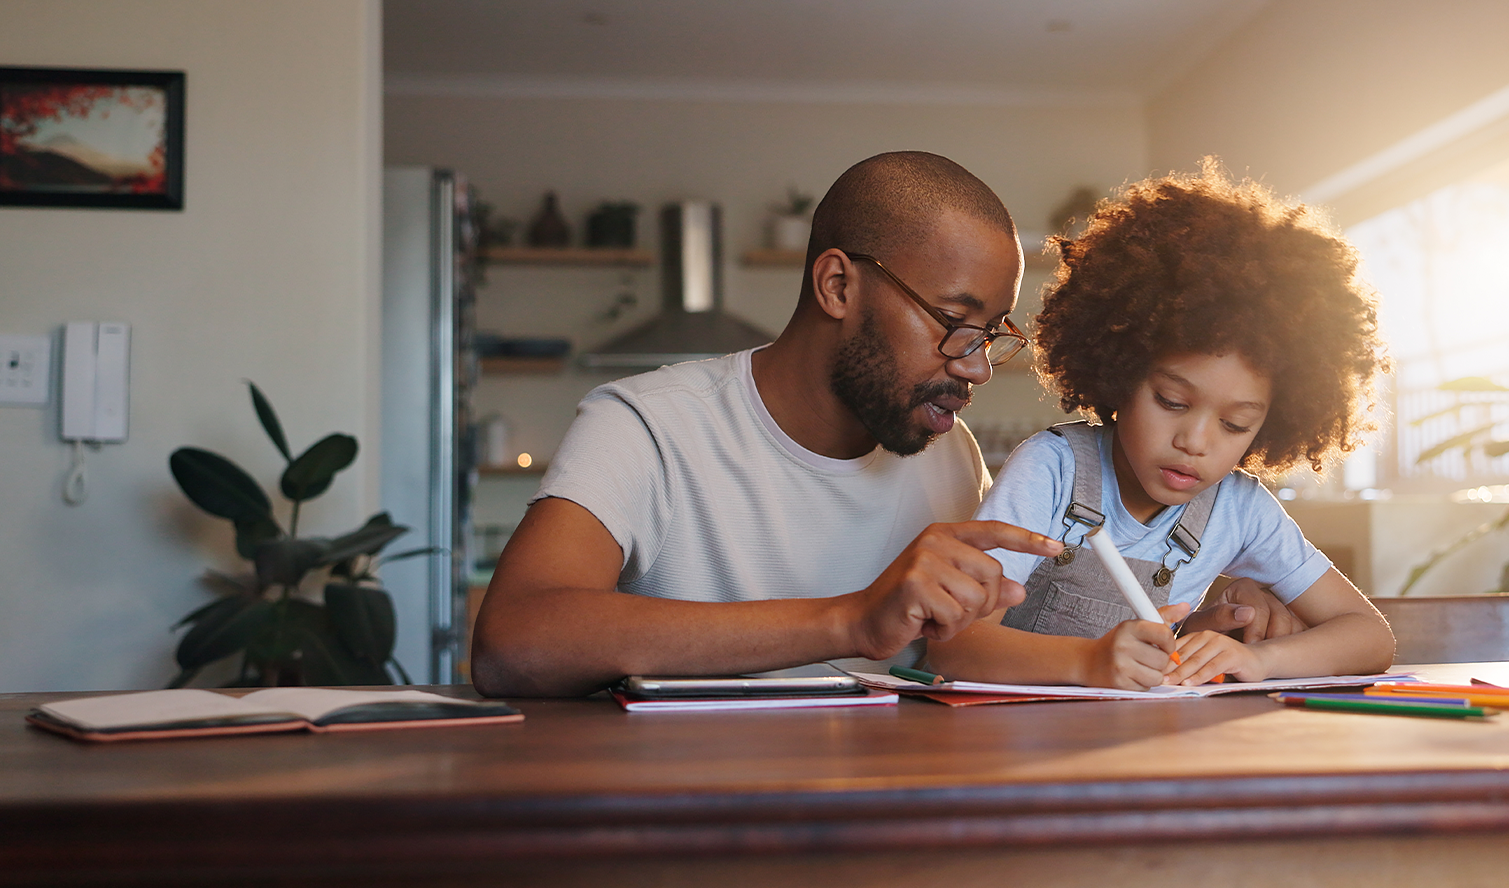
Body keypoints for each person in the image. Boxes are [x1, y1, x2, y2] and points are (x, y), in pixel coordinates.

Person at [472, 152, 1299, 698]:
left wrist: (1197, 621)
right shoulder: (648, 426)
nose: (977, 367)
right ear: (838, 286)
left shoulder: (950, 454)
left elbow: (1017, 641)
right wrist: (850, 620)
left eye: (992, 335)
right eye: (955, 323)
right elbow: (515, 641)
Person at [927, 161, 1396, 691]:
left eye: (1235, 424)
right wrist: (1088, 662)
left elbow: (1370, 637)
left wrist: (1260, 661)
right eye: (1171, 401)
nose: (1194, 442)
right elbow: (954, 645)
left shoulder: (1239, 510)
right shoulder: (1052, 471)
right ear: (1120, 372)